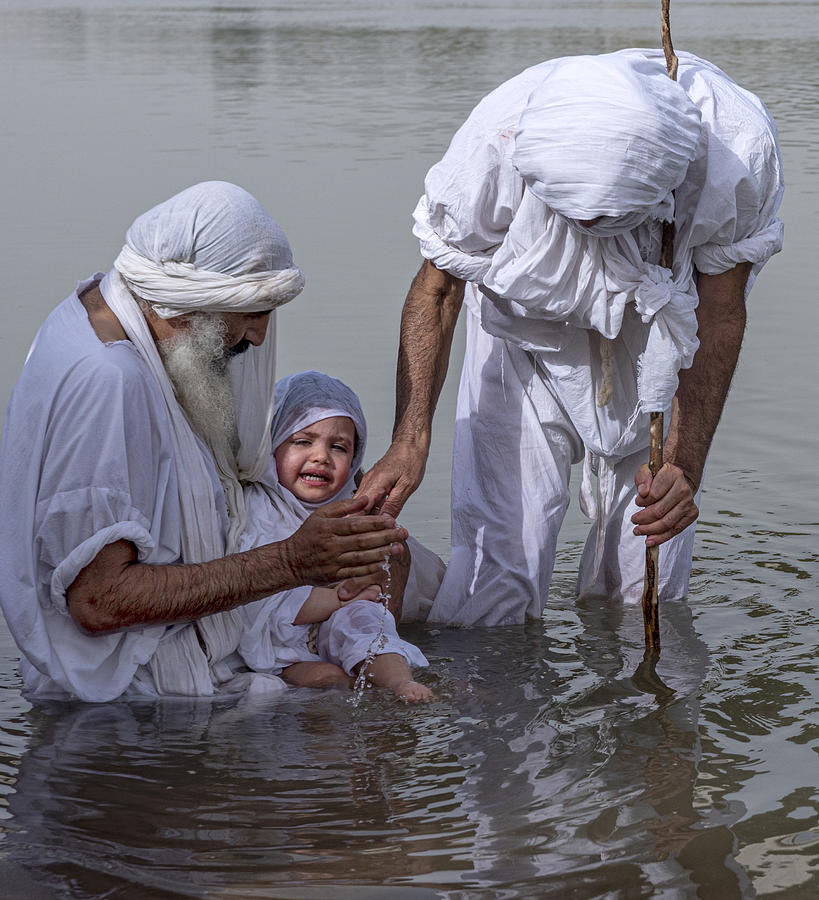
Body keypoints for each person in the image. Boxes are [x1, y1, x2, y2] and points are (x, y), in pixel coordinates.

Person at [358, 49, 784, 625]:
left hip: (662, 339)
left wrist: (686, 465)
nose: (587, 227)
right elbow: (437, 291)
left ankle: (638, 702)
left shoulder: (732, 151)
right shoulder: (496, 141)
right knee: (498, 577)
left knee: (643, 585)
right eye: (574, 213)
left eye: (606, 215)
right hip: (523, 332)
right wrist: (410, 439)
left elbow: (720, 313)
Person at [0, 181, 407, 701]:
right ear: (193, 300)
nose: (259, 336)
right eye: (253, 312)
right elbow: (98, 602)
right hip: (134, 702)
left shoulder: (105, 306)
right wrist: (289, 563)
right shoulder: (109, 380)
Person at [240, 371, 443, 702]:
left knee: (364, 620)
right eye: (302, 441)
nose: (321, 456)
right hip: (280, 647)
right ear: (271, 445)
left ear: (355, 461)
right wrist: (342, 597)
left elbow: (381, 588)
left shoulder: (354, 512)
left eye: (338, 447)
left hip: (342, 626)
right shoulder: (256, 510)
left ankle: (400, 683)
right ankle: (333, 725)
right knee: (326, 678)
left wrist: (367, 591)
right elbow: (262, 601)